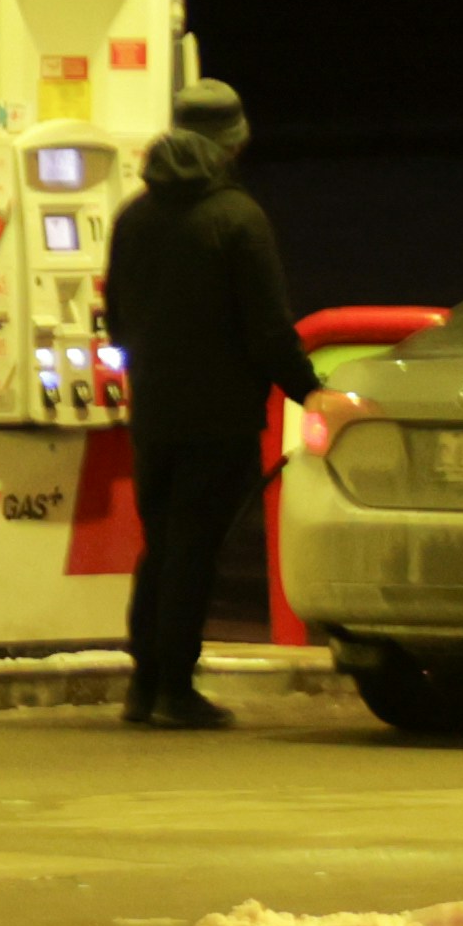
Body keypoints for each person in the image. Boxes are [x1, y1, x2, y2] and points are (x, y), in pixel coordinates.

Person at [101, 78, 306, 730]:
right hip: (219, 418)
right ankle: (176, 690)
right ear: (231, 146)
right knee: (195, 550)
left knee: (160, 545)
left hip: (155, 412)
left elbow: (118, 323)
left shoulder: (134, 216)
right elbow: (268, 330)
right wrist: (312, 391)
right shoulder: (237, 219)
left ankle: (145, 685)